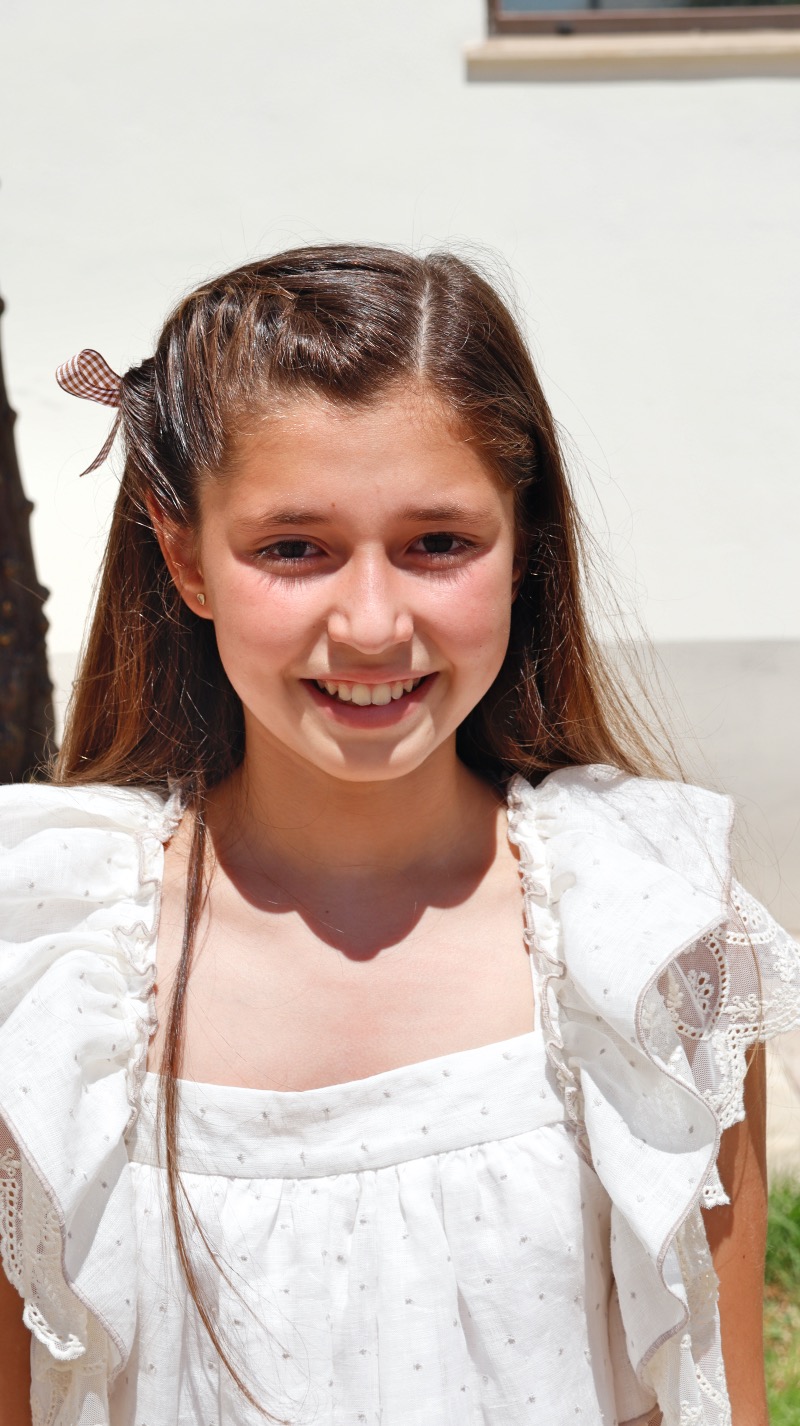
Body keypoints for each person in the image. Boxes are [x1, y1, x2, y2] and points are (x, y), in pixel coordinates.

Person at [0, 245, 796, 1426]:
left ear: (522, 545)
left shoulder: (645, 940)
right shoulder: (44, 963)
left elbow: (708, 1399)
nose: (371, 623)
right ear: (184, 556)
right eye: (293, 547)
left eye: (436, 543)